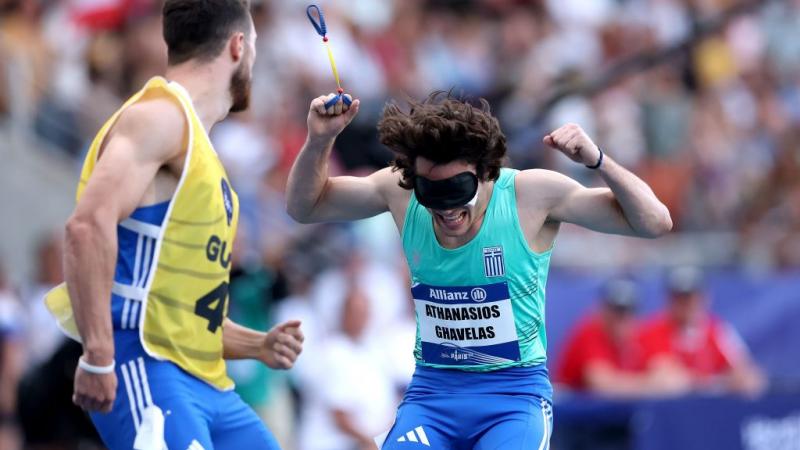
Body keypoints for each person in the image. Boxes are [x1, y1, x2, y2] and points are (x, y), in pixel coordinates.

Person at [286, 91, 673, 448]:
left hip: (513, 398)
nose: (446, 210)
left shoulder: (530, 196)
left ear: (485, 171)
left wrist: (598, 160)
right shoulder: (399, 192)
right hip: (433, 397)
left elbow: (655, 222)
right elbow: (305, 207)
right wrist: (319, 140)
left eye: (457, 192)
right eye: (432, 194)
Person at [43, 1, 304, 449]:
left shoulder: (202, 152)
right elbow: (86, 226)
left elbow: (175, 308)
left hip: (208, 382)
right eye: (256, 47)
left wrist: (256, 344)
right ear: (238, 47)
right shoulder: (161, 116)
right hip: (146, 366)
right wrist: (100, 356)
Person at [638, 267, 766, 396]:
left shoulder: (718, 330)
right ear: (670, 300)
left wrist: (723, 382)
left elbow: (746, 373)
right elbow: (665, 377)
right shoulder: (653, 330)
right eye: (680, 297)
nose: (687, 303)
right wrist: (718, 382)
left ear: (705, 297)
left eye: (692, 297)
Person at [556, 279, 690, 397]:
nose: (622, 319)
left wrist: (659, 380)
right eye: (616, 311)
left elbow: (674, 379)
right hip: (573, 421)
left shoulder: (640, 335)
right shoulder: (589, 333)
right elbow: (603, 385)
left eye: (628, 311)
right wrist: (650, 383)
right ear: (602, 311)